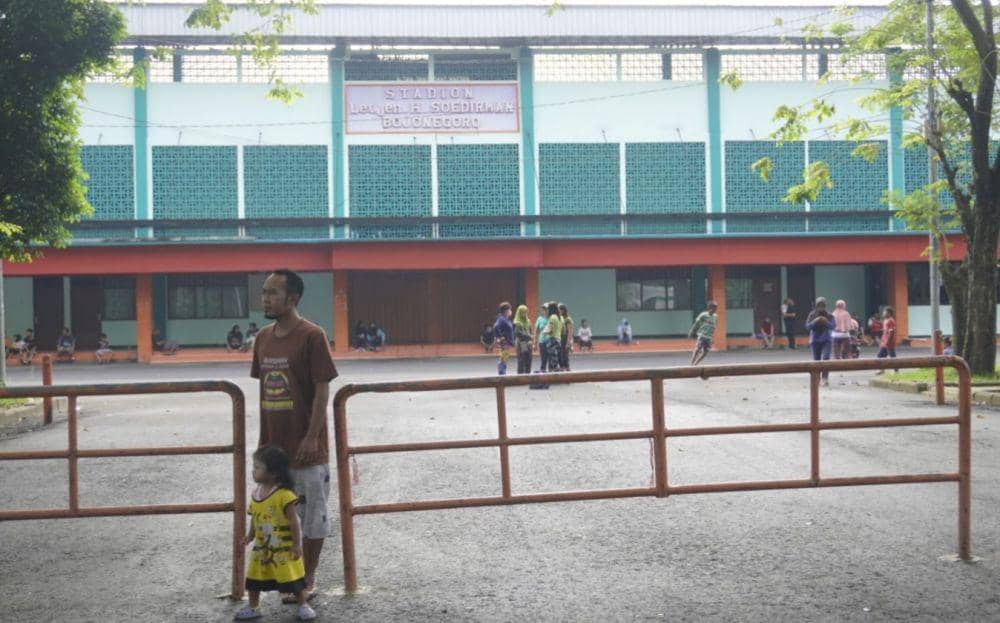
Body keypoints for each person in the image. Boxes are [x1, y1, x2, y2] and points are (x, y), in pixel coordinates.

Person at [251, 268, 338, 604]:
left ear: (293, 298)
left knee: (312, 516)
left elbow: (321, 391)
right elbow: (266, 393)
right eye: (264, 292)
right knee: (279, 516)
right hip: (273, 450)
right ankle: (289, 575)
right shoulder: (262, 338)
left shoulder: (312, 336)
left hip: (307, 449)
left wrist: (312, 437)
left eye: (273, 292)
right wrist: (263, 449)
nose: (266, 298)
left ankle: (308, 578)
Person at [235, 445, 317, 621]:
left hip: (283, 547)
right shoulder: (256, 493)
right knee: (254, 578)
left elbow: (294, 521)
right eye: (254, 467)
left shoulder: (284, 495)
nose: (253, 471)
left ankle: (303, 604)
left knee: (293, 577)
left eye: (257, 467)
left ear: (273, 473)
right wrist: (250, 536)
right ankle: (253, 606)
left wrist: (296, 545)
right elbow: (255, 517)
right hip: (262, 547)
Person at [806, 297, 834, 386]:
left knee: (826, 358)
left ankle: (825, 378)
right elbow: (808, 327)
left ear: (825, 305)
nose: (821, 307)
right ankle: (817, 377)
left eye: (822, 305)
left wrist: (825, 321)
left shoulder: (829, 315)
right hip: (814, 340)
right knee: (816, 360)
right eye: (819, 305)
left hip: (826, 339)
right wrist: (815, 321)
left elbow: (833, 326)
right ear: (816, 305)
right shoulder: (812, 314)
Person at [688, 301, 718, 365]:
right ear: (710, 308)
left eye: (716, 308)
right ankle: (691, 363)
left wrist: (712, 338)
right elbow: (696, 323)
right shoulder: (703, 315)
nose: (716, 309)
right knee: (697, 349)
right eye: (714, 308)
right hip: (702, 335)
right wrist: (691, 331)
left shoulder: (715, 316)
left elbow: (713, 328)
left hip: (709, 337)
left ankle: (696, 363)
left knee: (705, 352)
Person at [541, 302, 564, 372]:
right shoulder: (561, 317)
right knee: (557, 357)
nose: (547, 310)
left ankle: (554, 375)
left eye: (548, 309)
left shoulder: (552, 317)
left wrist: (544, 332)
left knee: (552, 359)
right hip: (559, 339)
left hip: (552, 339)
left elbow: (550, 330)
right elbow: (562, 330)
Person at [874, 306, 898, 375]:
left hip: (889, 343)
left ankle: (896, 371)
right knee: (880, 356)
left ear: (889, 313)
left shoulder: (891, 320)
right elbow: (885, 331)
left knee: (892, 357)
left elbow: (891, 332)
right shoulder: (885, 321)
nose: (883, 313)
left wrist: (888, 341)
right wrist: (882, 341)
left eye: (885, 312)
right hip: (884, 342)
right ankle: (882, 370)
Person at [513, 305, 533, 374]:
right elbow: (518, 333)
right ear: (519, 313)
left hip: (528, 342)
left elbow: (530, 331)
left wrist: (531, 340)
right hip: (522, 342)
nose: (525, 314)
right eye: (523, 312)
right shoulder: (517, 322)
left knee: (529, 358)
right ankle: (521, 375)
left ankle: (528, 374)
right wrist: (528, 338)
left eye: (526, 312)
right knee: (522, 358)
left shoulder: (528, 321)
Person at [557, 303, 574, 372]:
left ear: (563, 310)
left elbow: (570, 331)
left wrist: (568, 342)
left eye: (559, 310)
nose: (558, 311)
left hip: (565, 339)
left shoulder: (568, 319)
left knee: (565, 357)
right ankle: (562, 372)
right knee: (559, 356)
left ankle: (568, 373)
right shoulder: (559, 318)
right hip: (559, 339)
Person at [534, 303, 550, 372]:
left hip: (551, 342)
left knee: (551, 359)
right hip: (542, 342)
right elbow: (536, 332)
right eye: (544, 309)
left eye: (546, 309)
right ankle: (543, 376)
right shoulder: (540, 319)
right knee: (543, 359)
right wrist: (535, 343)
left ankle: (551, 376)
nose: (545, 311)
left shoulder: (552, 319)